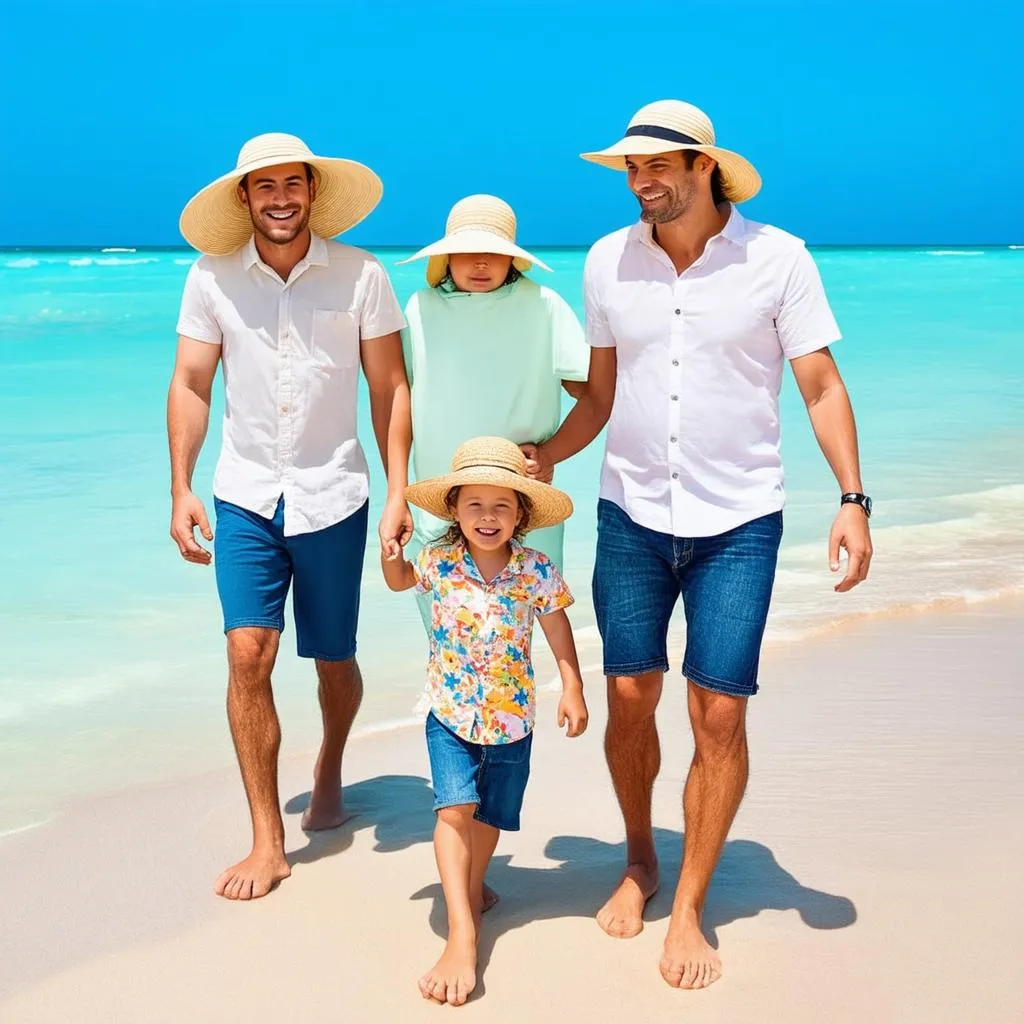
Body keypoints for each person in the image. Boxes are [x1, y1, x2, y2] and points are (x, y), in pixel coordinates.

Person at [523, 100, 874, 988]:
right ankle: (640, 860)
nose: (640, 183)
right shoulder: (608, 262)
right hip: (631, 513)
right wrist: (541, 460)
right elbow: (599, 399)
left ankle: (689, 906)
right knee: (631, 697)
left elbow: (821, 386)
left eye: (656, 168)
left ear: (703, 167)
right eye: (629, 171)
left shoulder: (778, 258)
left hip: (740, 523)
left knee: (718, 712)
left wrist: (854, 498)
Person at [168, 133, 412, 900]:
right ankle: (267, 840)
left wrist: (400, 488)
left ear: (312, 192)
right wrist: (180, 485)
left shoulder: (363, 275)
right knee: (248, 654)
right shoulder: (210, 278)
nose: (279, 198)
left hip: (334, 492)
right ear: (245, 198)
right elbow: (191, 382)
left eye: (292, 185)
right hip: (244, 493)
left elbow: (390, 387)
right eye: (263, 186)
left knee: (333, 657)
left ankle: (332, 761)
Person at [381, 436, 589, 1006]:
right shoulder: (439, 560)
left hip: (511, 721)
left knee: (491, 815)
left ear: (522, 513)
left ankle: (471, 886)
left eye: (502, 505)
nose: (488, 517)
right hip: (448, 712)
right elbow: (401, 584)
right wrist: (391, 554)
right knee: (453, 809)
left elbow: (555, 628)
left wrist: (571, 685)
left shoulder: (536, 570)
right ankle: (462, 932)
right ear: (454, 509)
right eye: (474, 504)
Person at [397, 194, 589, 630]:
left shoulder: (545, 306)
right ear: (446, 256)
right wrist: (398, 494)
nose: (481, 263)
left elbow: (594, 394)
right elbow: (398, 401)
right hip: (440, 505)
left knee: (514, 643)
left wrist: (552, 452)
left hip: (521, 505)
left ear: (512, 259)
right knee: (445, 644)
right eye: (467, 252)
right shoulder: (420, 308)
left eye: (495, 253)